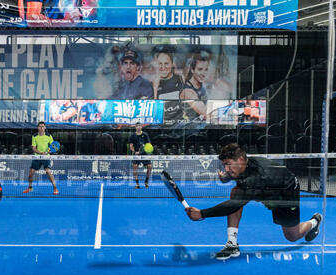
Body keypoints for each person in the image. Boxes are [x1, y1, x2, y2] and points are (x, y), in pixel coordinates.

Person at [184, 143, 323, 260]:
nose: (226, 169)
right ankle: (232, 244)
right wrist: (224, 177)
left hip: (284, 194)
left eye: (228, 164)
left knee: (292, 236)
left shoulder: (258, 176)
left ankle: (314, 221)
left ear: (239, 160)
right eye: (224, 165)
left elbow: (233, 206)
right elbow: (230, 176)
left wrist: (202, 214)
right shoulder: (242, 166)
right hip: (264, 189)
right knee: (235, 192)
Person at [23, 121, 59, 195]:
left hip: (46, 157)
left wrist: (47, 152)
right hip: (37, 157)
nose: (41, 128)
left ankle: (55, 188)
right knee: (31, 173)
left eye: (43, 126)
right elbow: (34, 148)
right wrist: (40, 153)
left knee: (48, 171)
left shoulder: (49, 136)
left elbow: (52, 146)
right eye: (40, 126)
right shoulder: (35, 136)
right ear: (38, 127)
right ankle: (30, 188)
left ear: (45, 127)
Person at [152, 46, 185, 123]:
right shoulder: (154, 83)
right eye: (160, 63)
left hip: (179, 124)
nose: (163, 67)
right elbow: (154, 111)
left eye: (166, 63)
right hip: (162, 124)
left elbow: (186, 104)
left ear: (172, 64)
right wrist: (155, 88)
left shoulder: (180, 78)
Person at [180, 50, 211, 121]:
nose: (204, 73)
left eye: (206, 69)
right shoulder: (188, 92)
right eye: (200, 69)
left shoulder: (202, 85)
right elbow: (205, 112)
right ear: (192, 70)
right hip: (190, 129)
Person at [128, 122, 152, 188]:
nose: (138, 127)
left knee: (149, 167)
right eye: (137, 126)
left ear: (141, 127)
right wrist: (135, 151)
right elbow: (131, 146)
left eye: (139, 126)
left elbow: (148, 145)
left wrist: (145, 150)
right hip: (136, 154)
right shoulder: (132, 135)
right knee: (135, 167)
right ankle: (137, 183)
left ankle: (146, 181)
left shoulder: (145, 135)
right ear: (135, 127)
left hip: (144, 154)